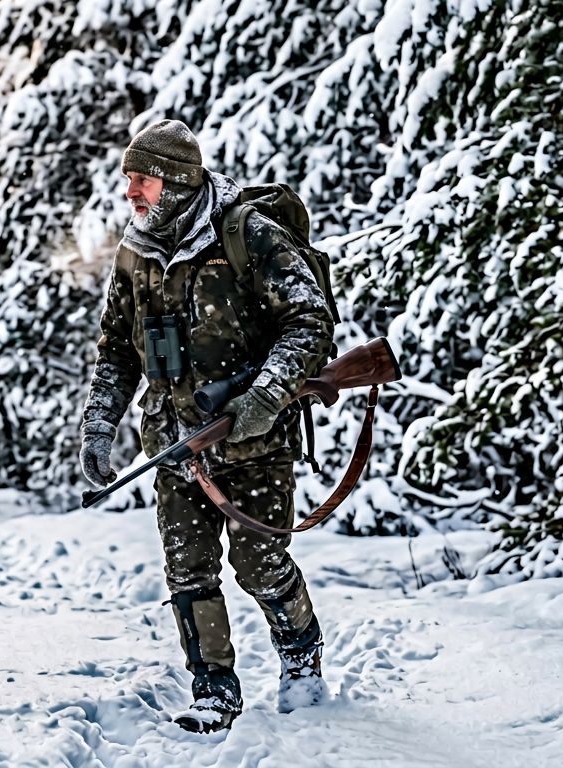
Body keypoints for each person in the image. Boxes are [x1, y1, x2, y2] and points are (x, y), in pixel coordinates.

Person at [79, 119, 334, 733]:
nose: (131, 192)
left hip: (253, 441)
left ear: (177, 180)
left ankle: (301, 661)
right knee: (188, 572)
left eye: (141, 180)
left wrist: (264, 397)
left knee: (260, 565)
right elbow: (117, 347)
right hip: (173, 444)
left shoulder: (249, 235)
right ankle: (214, 691)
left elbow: (309, 320)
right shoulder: (135, 251)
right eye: (128, 180)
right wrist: (99, 423)